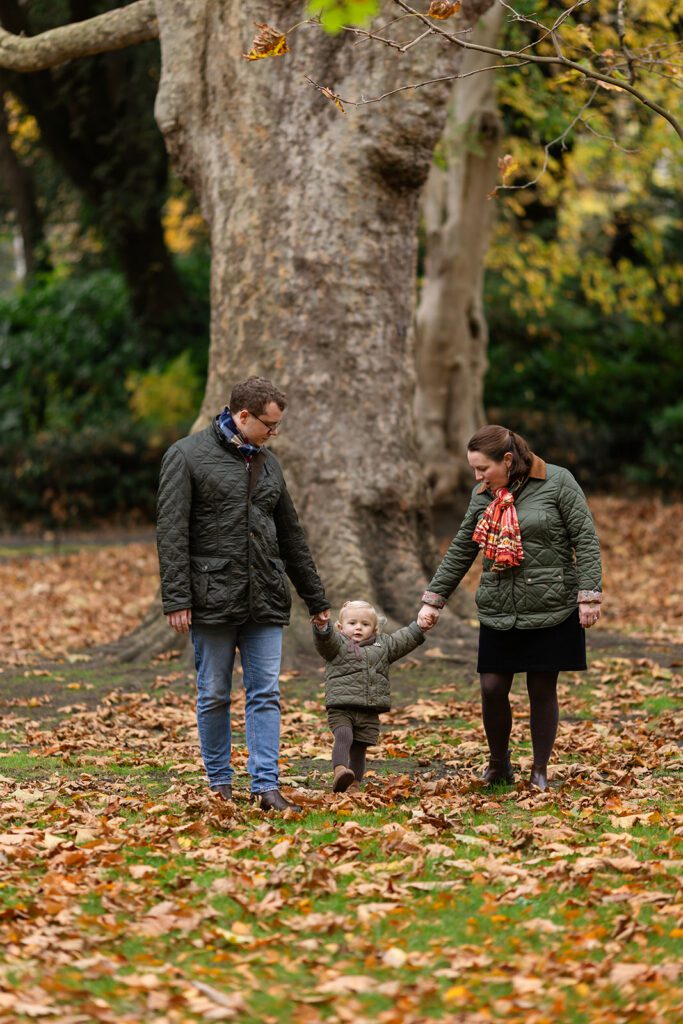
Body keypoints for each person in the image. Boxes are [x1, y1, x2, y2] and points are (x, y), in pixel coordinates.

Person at [156, 377, 330, 812]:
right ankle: (220, 784)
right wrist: (177, 599)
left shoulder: (268, 463)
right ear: (243, 416)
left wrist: (316, 599)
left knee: (266, 692)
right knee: (214, 692)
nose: (275, 432)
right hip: (212, 596)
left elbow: (291, 536)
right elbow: (171, 532)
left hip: (265, 597)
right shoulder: (186, 456)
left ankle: (266, 786)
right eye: (269, 425)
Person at [417, 425, 602, 791]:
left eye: (482, 469)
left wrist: (589, 593)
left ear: (506, 459)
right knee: (491, 685)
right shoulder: (483, 494)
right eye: (473, 470)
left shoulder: (558, 482)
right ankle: (499, 763)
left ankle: (540, 770)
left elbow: (585, 537)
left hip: (552, 603)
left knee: (541, 687)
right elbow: (461, 549)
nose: (477, 477)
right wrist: (434, 599)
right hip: (500, 604)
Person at [313, 600, 428, 793]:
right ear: (340, 627)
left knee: (360, 748)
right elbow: (325, 641)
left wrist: (419, 627)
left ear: (374, 629)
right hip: (342, 706)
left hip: (369, 707)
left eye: (365, 624)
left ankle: (354, 784)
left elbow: (403, 639)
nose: (358, 627)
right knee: (344, 735)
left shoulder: (383, 645)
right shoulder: (337, 644)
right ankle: (340, 771)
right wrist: (322, 627)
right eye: (352, 623)